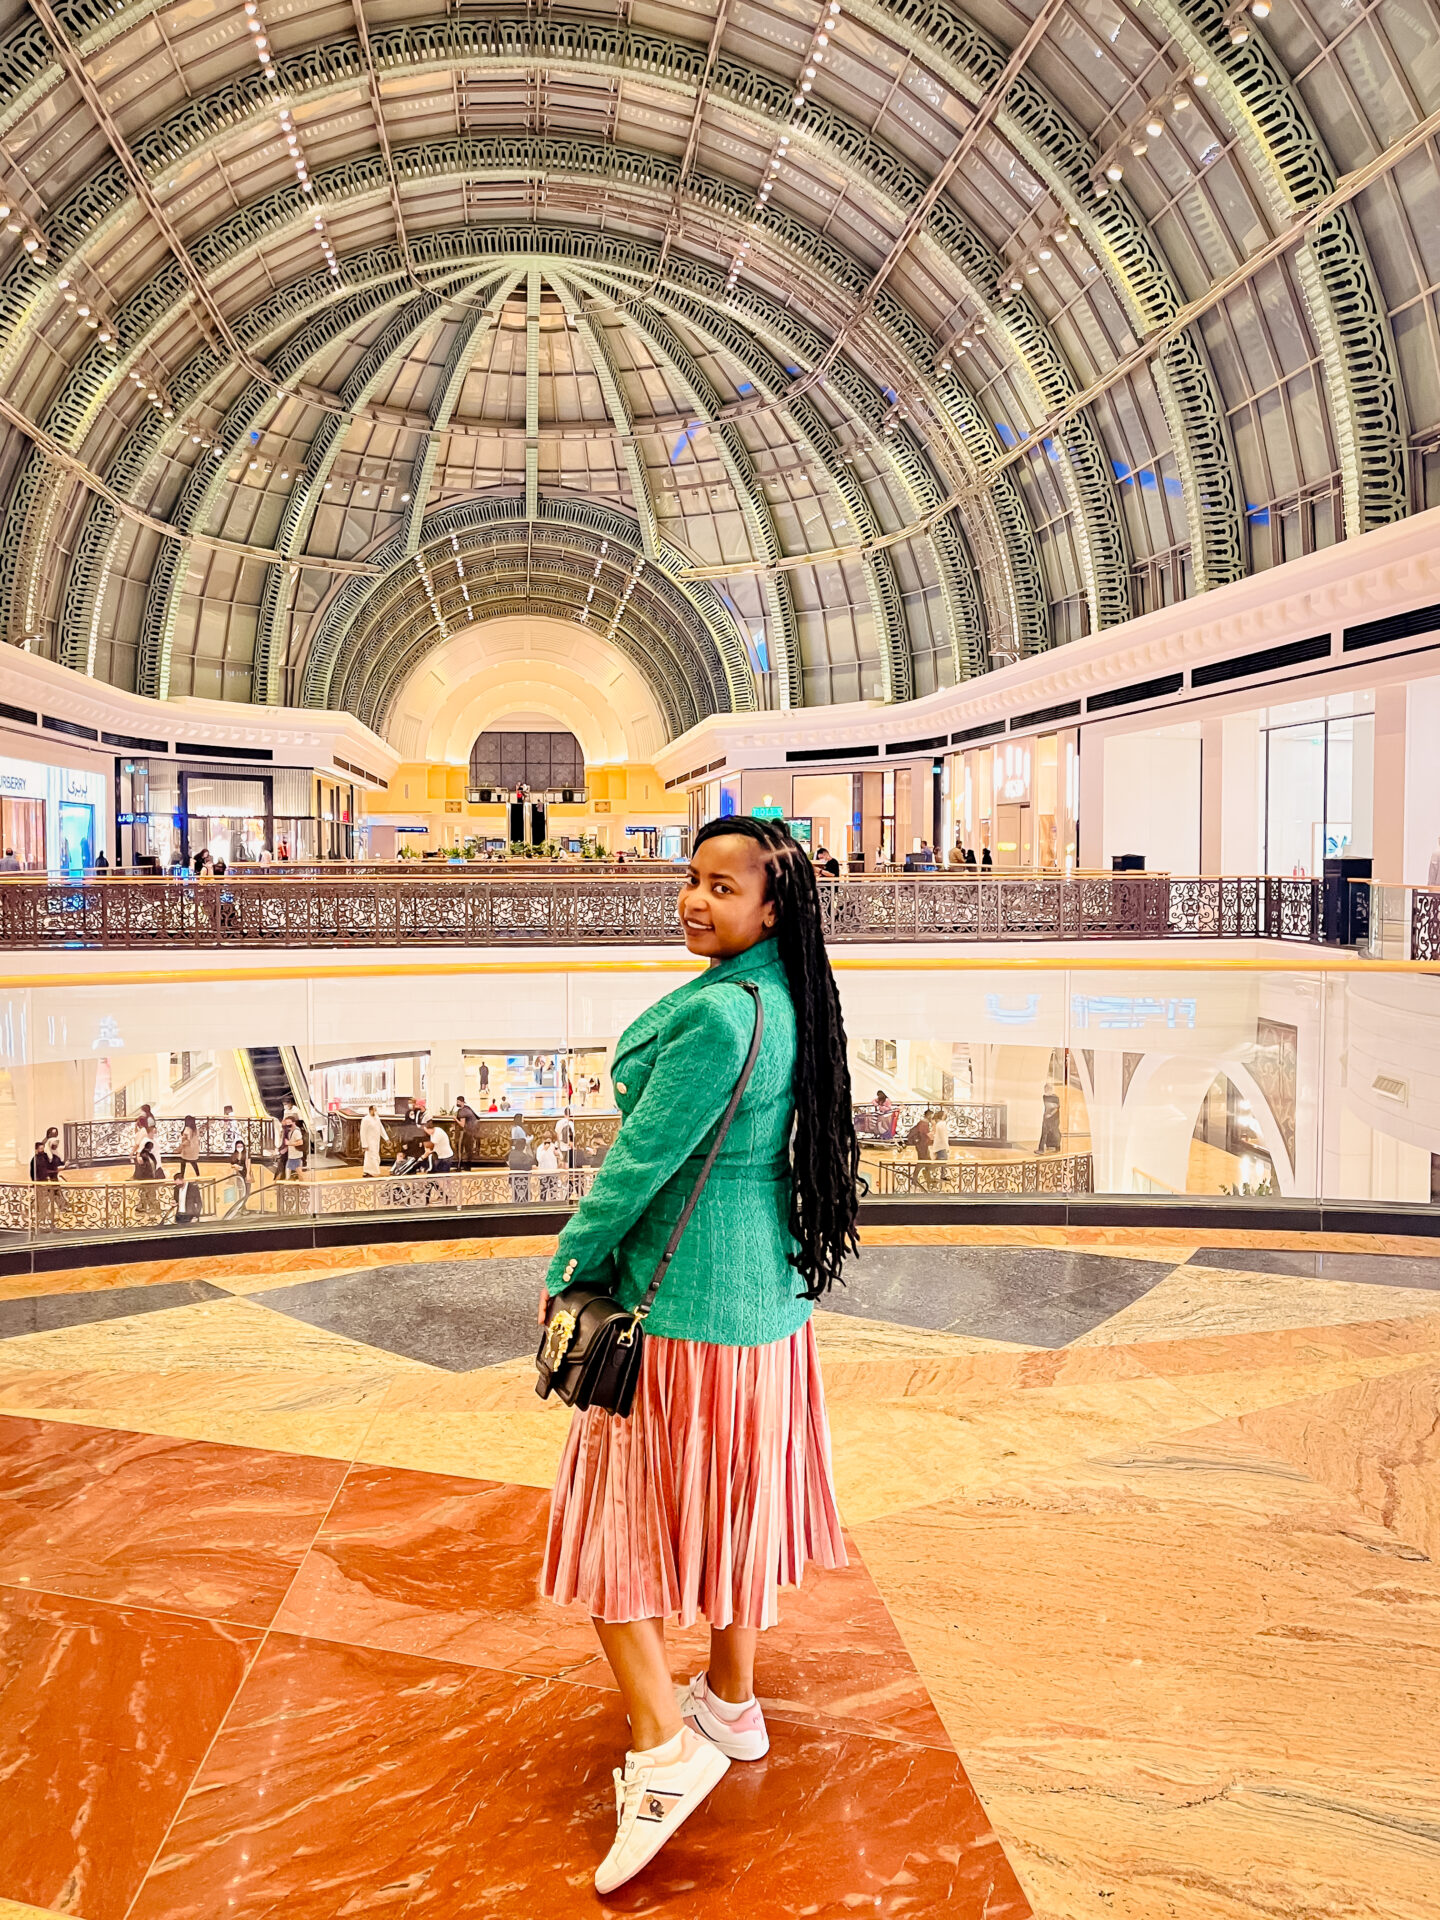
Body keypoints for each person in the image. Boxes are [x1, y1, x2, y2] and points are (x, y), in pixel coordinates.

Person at [535, 814, 857, 1896]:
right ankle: (732, 1699)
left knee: (610, 1549)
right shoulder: (793, 1003)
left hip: (676, 1319)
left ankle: (665, 1751)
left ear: (774, 909)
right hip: (766, 1311)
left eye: (722, 888)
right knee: (730, 1518)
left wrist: (566, 1263)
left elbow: (636, 1164)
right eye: (691, 878)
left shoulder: (721, 1019)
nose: (693, 900)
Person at [174, 1114, 201, 1182]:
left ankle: (182, 1177)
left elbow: (187, 1141)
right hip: (193, 1150)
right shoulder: (195, 1130)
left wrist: (179, 1148)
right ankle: (198, 1176)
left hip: (187, 1151)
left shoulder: (187, 1130)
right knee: (193, 1163)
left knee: (183, 1162)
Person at [360, 1103, 384, 1177]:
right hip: (369, 1141)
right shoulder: (366, 1119)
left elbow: (381, 1128)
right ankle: (368, 1171)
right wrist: (364, 1145)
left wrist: (386, 1138)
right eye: (374, 1110)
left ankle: (374, 1170)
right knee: (369, 1156)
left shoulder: (377, 1118)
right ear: (370, 1110)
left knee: (376, 1156)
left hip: (376, 1141)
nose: (376, 1111)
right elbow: (362, 1132)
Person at [535, 1135, 560, 1203]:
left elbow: (561, 1156)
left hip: (553, 1173)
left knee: (553, 1193)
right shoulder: (540, 1148)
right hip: (543, 1173)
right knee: (543, 1193)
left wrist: (557, 1154)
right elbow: (539, 1159)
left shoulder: (554, 1147)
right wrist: (544, 1150)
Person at [555, 1106, 575, 1170]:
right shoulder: (571, 1124)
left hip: (561, 1146)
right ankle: (566, 1178)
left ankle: (561, 1179)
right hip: (568, 1147)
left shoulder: (559, 1122)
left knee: (560, 1164)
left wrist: (558, 1146)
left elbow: (557, 1135)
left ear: (564, 1114)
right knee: (566, 1165)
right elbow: (572, 1135)